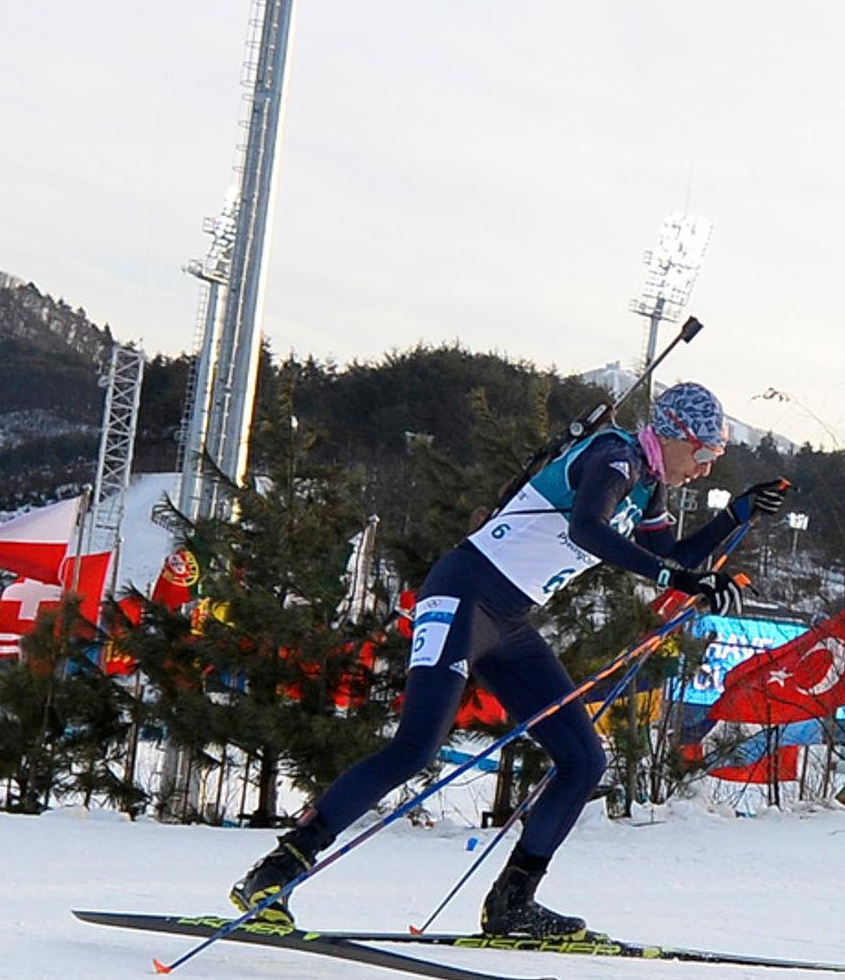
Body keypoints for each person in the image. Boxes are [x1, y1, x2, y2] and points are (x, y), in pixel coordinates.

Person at [229, 382, 789, 936]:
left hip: (508, 621)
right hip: (463, 597)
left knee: (583, 759)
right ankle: (275, 871)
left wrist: (737, 516)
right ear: (673, 435)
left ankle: (512, 902)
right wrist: (678, 577)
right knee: (416, 746)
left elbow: (671, 554)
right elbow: (589, 529)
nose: (707, 468)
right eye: (706, 453)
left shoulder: (647, 487)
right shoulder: (614, 457)